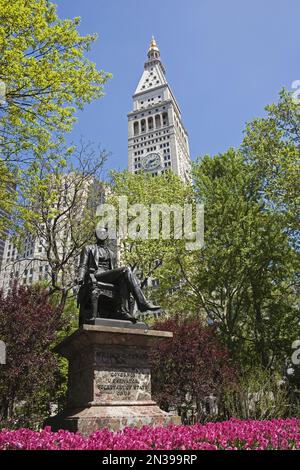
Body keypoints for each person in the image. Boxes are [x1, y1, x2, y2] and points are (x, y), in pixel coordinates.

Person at [77, 227, 161, 323]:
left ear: (107, 235)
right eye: (99, 232)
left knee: (124, 279)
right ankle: (143, 303)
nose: (102, 234)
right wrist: (80, 276)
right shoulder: (88, 248)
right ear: (96, 235)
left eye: (104, 233)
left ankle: (122, 311)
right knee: (126, 270)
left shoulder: (111, 253)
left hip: (108, 276)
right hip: (97, 274)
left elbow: (113, 269)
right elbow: (83, 265)